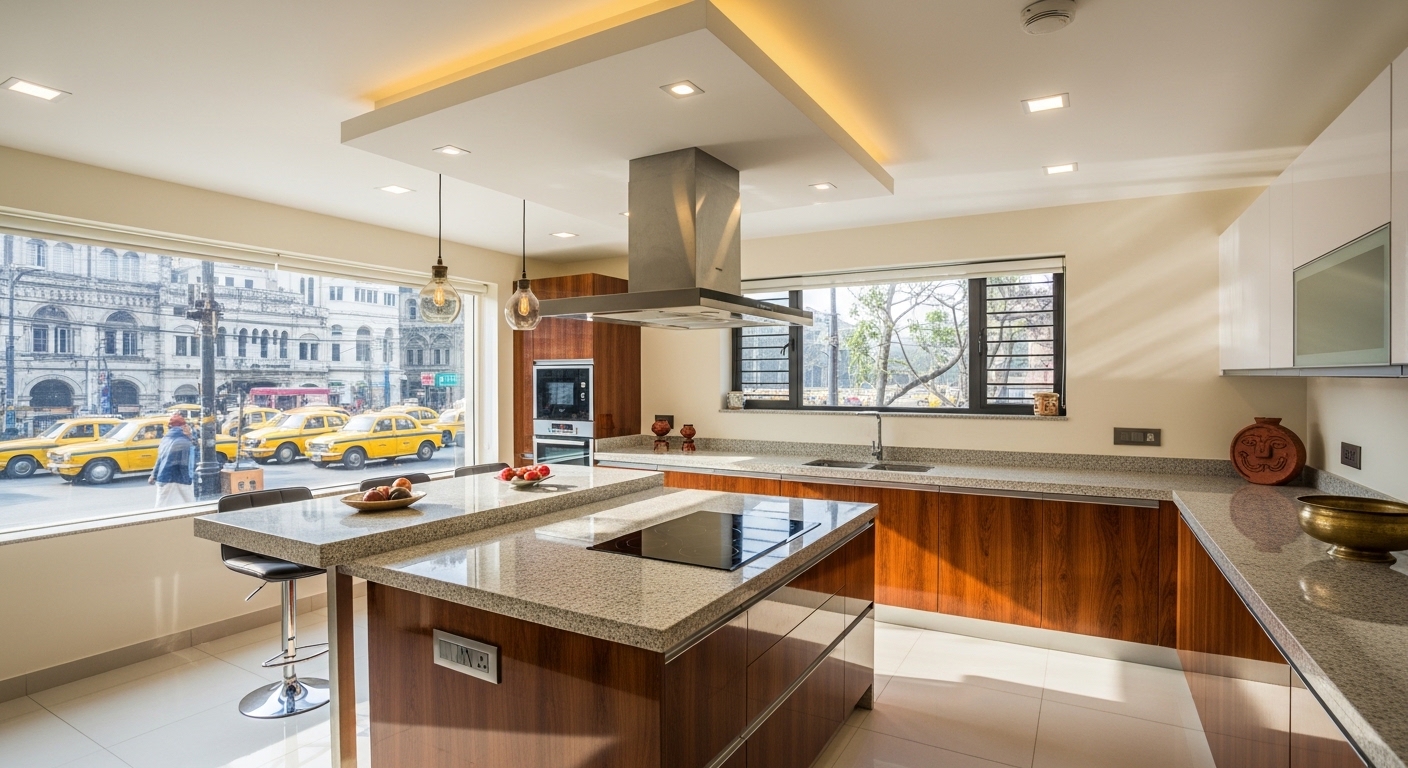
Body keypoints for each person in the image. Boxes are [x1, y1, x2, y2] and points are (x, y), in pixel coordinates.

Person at [149, 413, 195, 507]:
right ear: (183, 426)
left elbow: (160, 459)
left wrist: (154, 475)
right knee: (191, 507)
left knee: (161, 509)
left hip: (164, 477)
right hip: (182, 479)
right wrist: (190, 436)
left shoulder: (165, 440)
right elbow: (195, 455)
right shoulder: (185, 440)